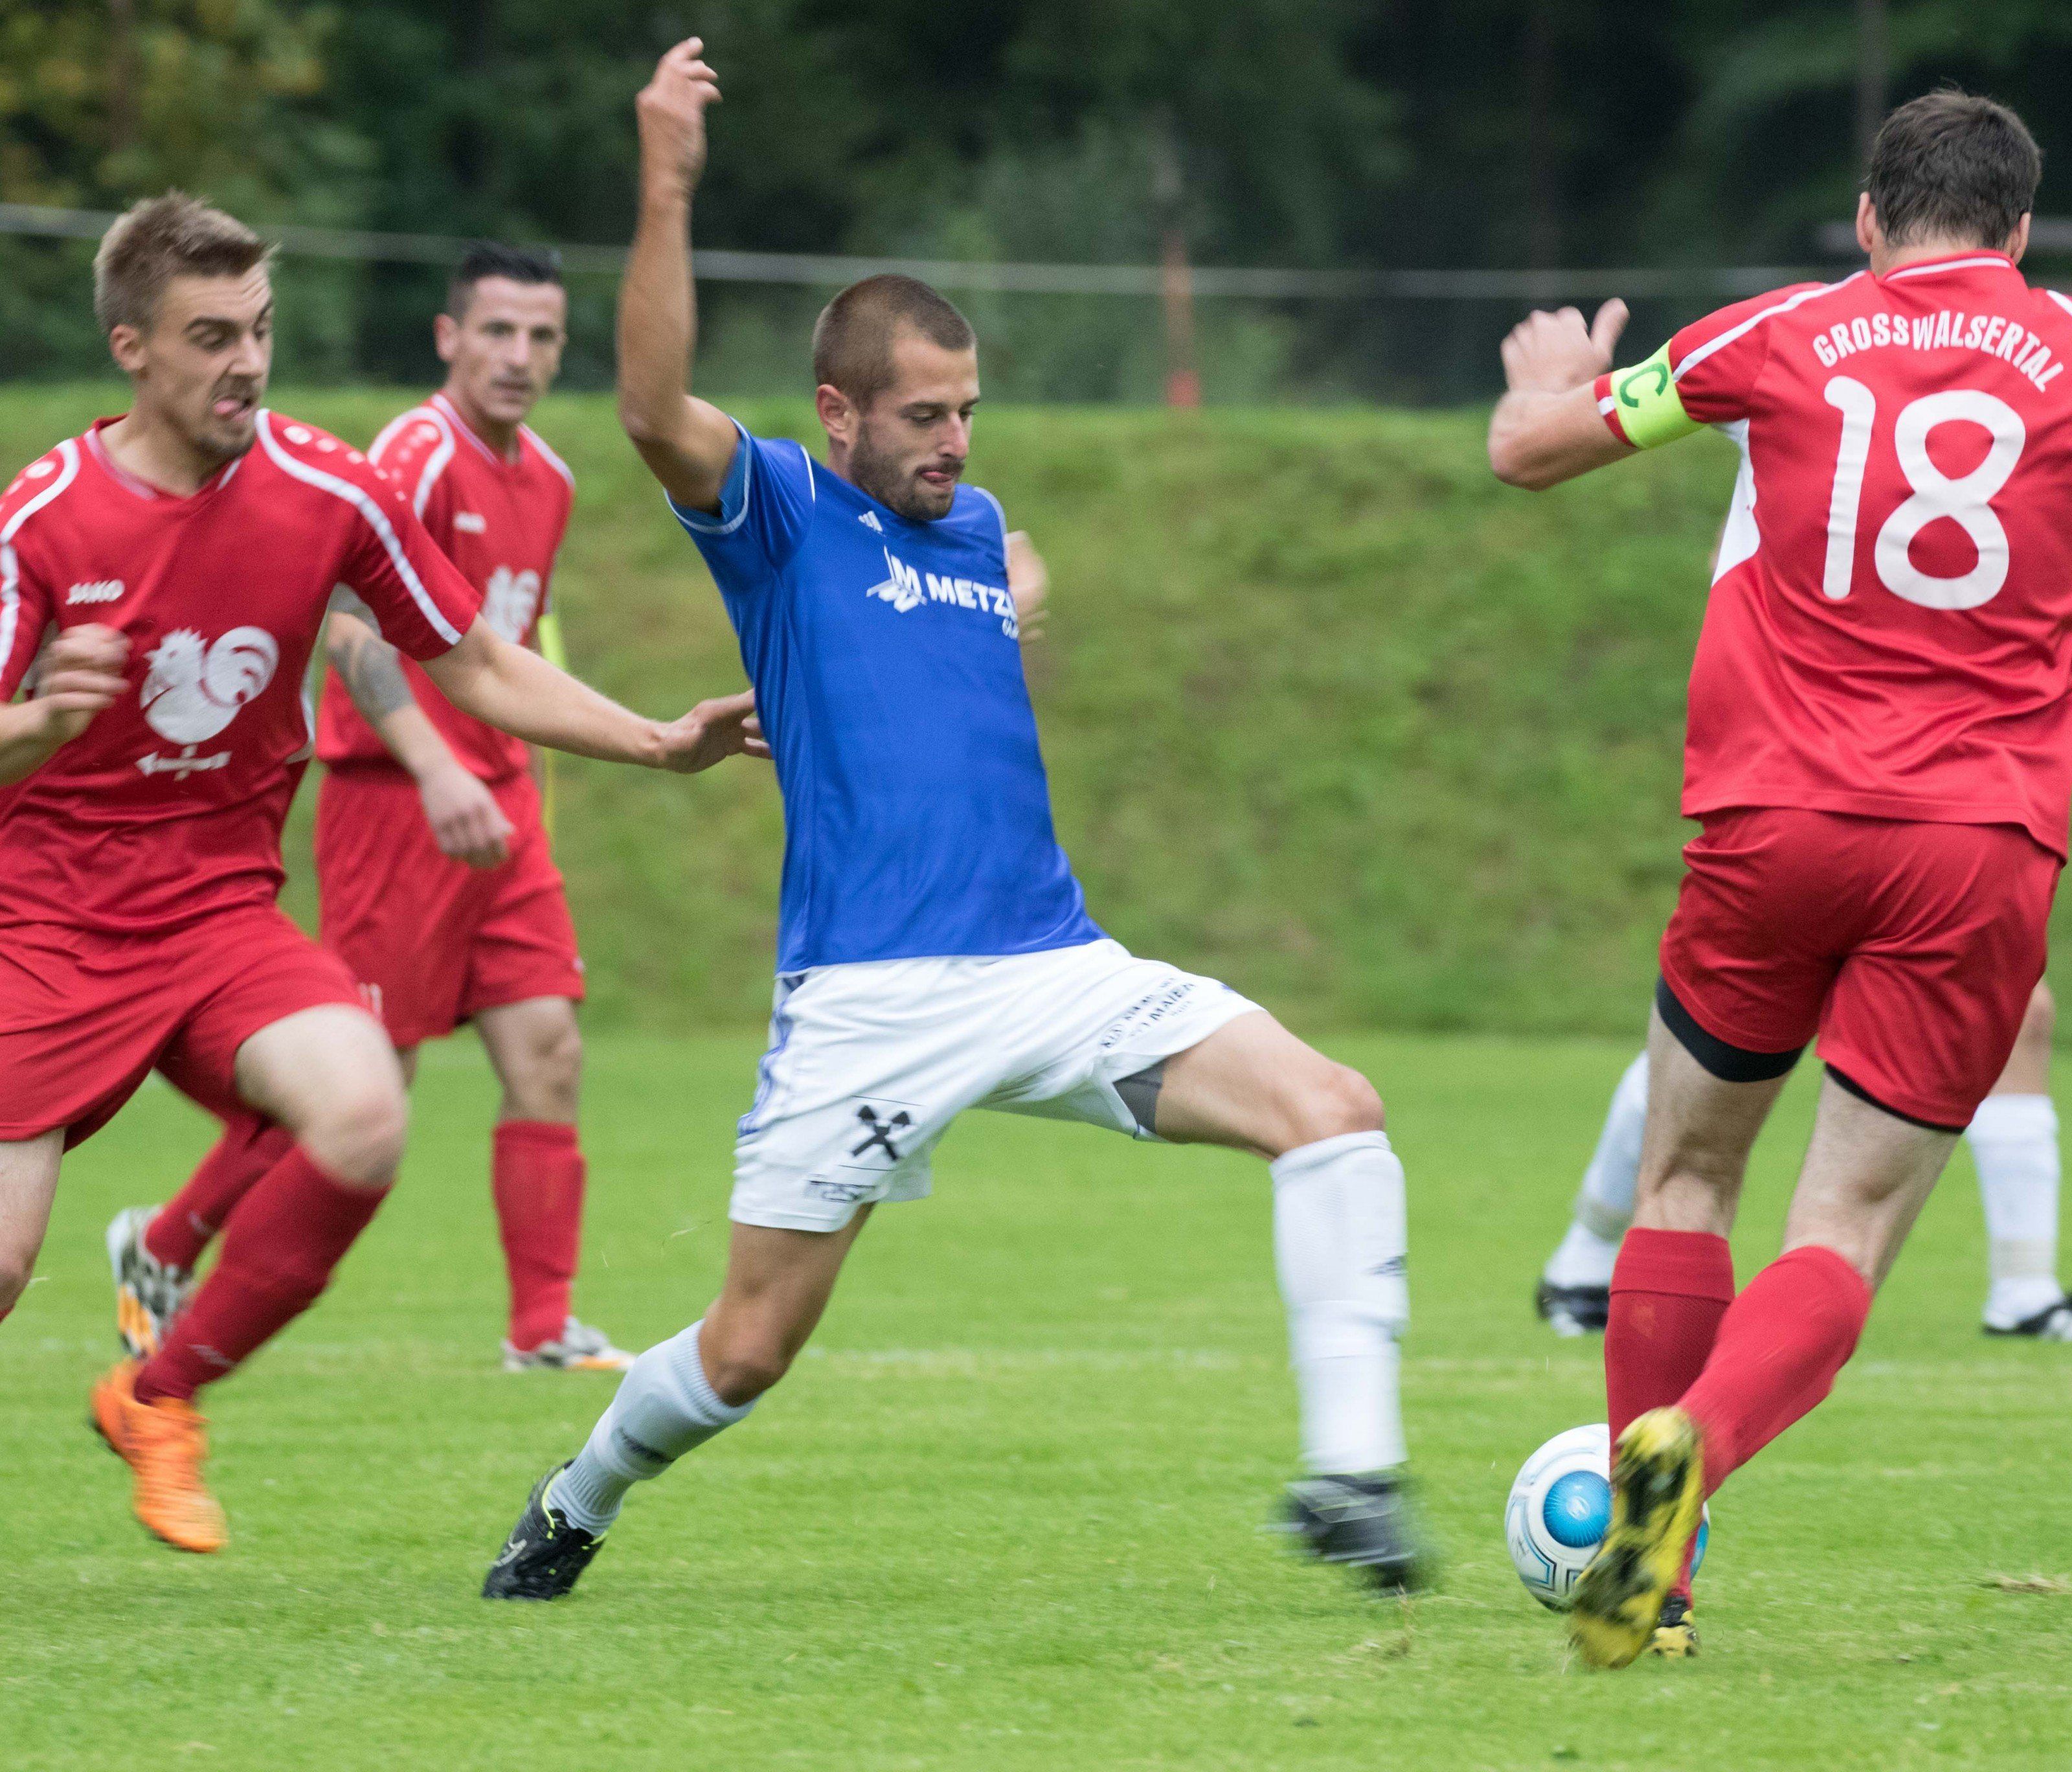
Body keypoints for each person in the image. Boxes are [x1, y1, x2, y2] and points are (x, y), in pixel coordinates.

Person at [481, 39, 1423, 1601]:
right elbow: (651, 404)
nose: (954, 441)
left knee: (1336, 1107)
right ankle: (577, 1493)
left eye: (968, 411)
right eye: (922, 413)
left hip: (1053, 960)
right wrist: (665, 179)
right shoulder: (780, 513)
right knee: (747, 1346)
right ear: (836, 410)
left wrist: (1021, 579)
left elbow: (1004, 552)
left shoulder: (974, 522)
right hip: (869, 997)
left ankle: (1352, 1477)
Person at [0, 192, 763, 1555]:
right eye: (211, 335)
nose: (247, 361)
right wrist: (46, 724)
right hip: (41, 929)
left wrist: (654, 740)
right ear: (132, 347)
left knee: (363, 1109)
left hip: (219, 920)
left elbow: (468, 657)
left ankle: (157, 1396)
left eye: (262, 331)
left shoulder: (326, 489)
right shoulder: (46, 520)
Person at [1489, 90, 2072, 1666]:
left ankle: (1650, 1568)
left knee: (1682, 1183)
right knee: (1848, 1225)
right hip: (1979, 844)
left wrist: (1546, 380)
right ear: (2019, 232)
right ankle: (1699, 1453)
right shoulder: (2071, 354)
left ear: (1871, 219)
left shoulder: (1785, 331)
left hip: (1771, 822)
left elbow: (1529, 454)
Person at [108, 243, 638, 1375]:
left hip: (495, 811)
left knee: (548, 1046)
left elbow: (498, 652)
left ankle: (541, 1330)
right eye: (496, 331)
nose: (520, 356)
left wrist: (507, 778)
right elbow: (349, 626)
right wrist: (436, 768)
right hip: (397, 802)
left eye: (542, 336)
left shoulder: (549, 476)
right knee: (364, 1078)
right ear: (449, 338)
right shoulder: (413, 452)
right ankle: (164, 1242)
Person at [1538, 981, 2067, 1340]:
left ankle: (2024, 1287)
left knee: (2020, 1009)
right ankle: (1587, 1251)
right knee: (1723, 1027)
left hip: (1948, 833)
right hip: (1805, 826)